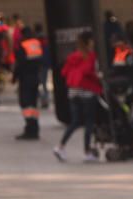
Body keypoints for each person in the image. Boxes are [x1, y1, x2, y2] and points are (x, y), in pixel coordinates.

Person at [53, 31, 102, 162]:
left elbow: (64, 72)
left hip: (73, 92)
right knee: (89, 122)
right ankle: (87, 152)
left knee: (75, 121)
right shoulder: (90, 56)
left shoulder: (73, 56)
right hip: (88, 92)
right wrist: (98, 78)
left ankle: (60, 146)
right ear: (89, 42)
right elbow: (89, 72)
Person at [13, 26, 43, 140]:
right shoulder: (36, 43)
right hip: (35, 78)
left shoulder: (23, 45)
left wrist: (14, 77)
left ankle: (29, 128)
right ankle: (35, 128)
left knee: (25, 104)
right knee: (33, 104)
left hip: (25, 79)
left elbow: (19, 64)